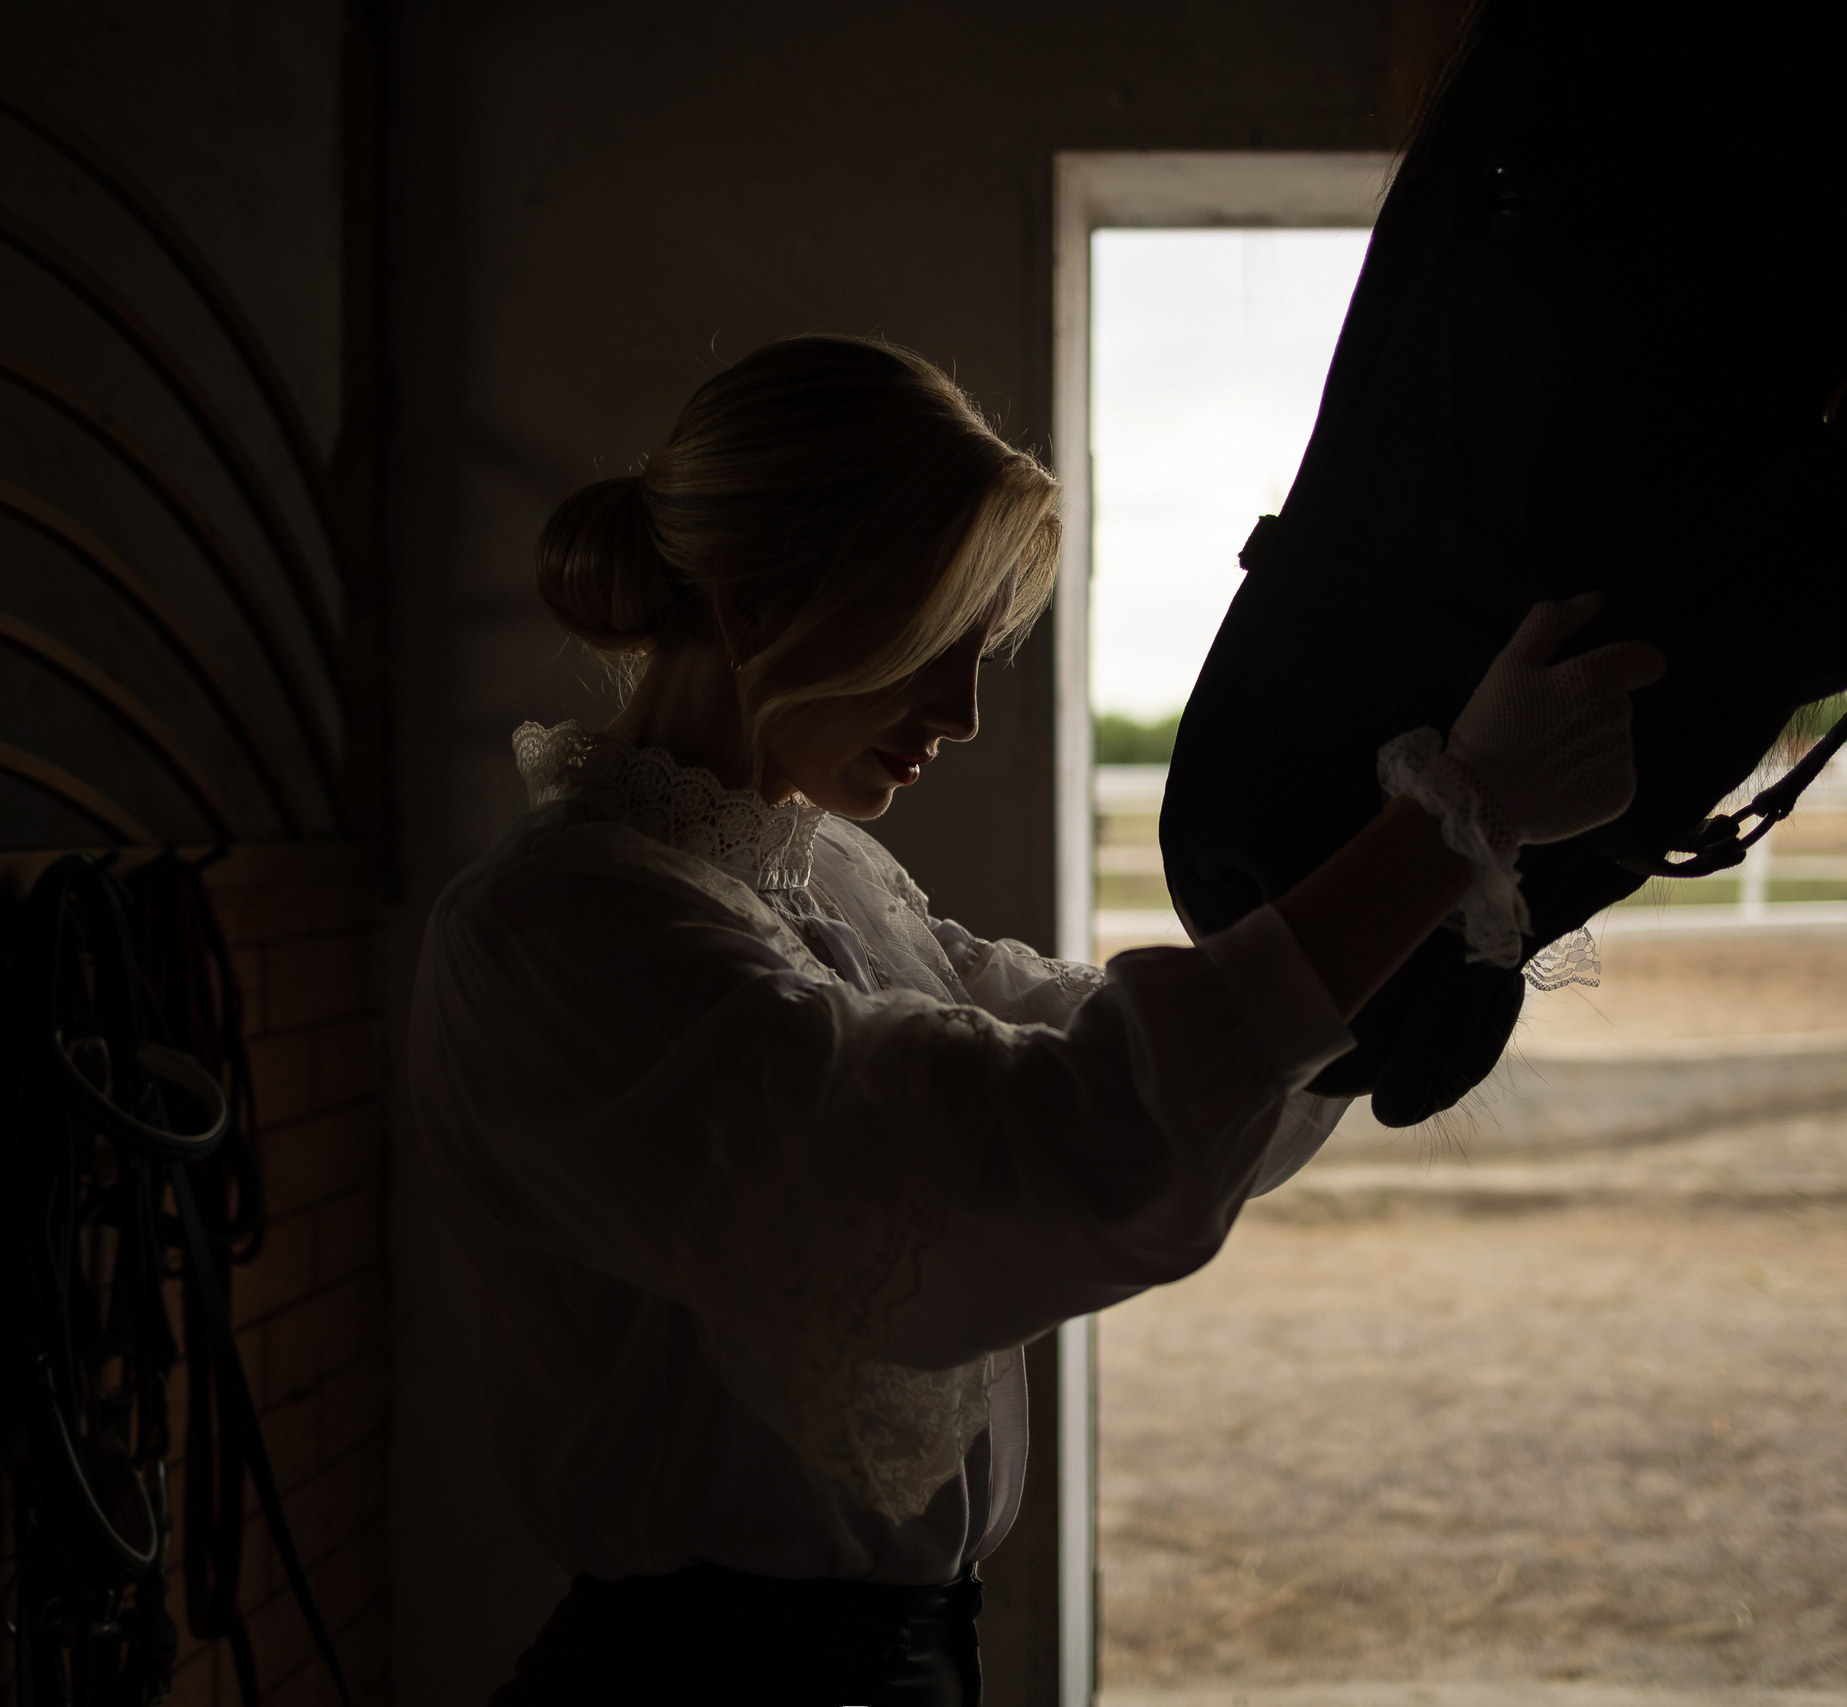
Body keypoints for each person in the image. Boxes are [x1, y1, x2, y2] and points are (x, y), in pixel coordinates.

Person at [408, 334, 1664, 1706]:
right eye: (932, 635)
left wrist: (1449, 865)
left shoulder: (813, 872)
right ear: (756, 599)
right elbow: (1021, 1158)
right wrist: (1443, 825)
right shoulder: (562, 929)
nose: (962, 708)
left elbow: (1072, 1040)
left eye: (982, 645)